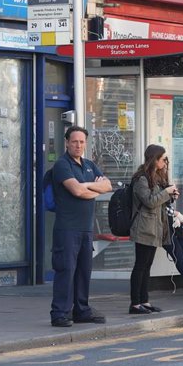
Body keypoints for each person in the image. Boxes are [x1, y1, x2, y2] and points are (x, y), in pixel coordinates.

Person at [50, 125, 112, 327]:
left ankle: (81, 310)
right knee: (66, 271)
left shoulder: (89, 165)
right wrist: (93, 189)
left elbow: (108, 185)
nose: (78, 145)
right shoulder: (62, 165)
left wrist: (86, 187)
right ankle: (60, 313)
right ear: (67, 142)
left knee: (84, 272)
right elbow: (76, 191)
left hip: (86, 229)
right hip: (67, 229)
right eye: (74, 141)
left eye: (82, 142)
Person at [129, 144, 179, 314]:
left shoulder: (156, 177)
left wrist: (170, 196)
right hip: (144, 227)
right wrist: (166, 193)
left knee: (147, 265)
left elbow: (159, 201)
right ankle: (135, 303)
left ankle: (145, 300)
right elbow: (149, 201)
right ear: (155, 159)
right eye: (163, 159)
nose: (165, 162)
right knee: (140, 265)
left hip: (155, 226)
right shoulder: (141, 179)